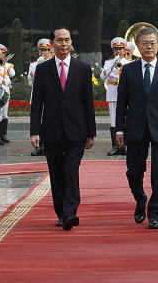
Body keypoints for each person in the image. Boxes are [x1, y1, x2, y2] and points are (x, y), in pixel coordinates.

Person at [30, 27, 96, 230]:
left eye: (67, 40)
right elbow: (37, 103)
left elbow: (88, 101)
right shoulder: (43, 69)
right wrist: (35, 131)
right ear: (52, 43)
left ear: (71, 42)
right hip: (51, 129)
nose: (64, 43)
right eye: (60, 40)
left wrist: (91, 133)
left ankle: (70, 213)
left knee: (70, 170)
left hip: (76, 129)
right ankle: (61, 213)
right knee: (57, 172)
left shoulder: (83, 68)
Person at [116, 28, 158, 230]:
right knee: (133, 172)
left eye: (153, 43)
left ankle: (155, 214)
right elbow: (121, 102)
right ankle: (141, 198)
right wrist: (119, 130)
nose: (149, 47)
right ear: (137, 46)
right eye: (145, 43)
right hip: (135, 128)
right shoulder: (128, 70)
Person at [100, 37, 130, 156]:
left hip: (126, 94)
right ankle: (115, 146)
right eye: (116, 49)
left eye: (120, 49)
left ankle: (125, 145)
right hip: (113, 92)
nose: (118, 51)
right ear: (113, 51)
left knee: (126, 119)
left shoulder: (129, 63)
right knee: (113, 120)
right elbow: (102, 77)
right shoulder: (108, 63)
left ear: (124, 50)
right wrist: (113, 63)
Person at [29, 38, 54, 156]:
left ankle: (47, 145)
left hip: (50, 95)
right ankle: (39, 146)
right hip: (38, 94)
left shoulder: (53, 63)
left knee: (48, 120)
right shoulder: (34, 64)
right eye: (41, 50)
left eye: (46, 50)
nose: (43, 53)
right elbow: (31, 80)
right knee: (38, 119)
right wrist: (38, 65)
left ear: (50, 51)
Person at [0, 44, 15, 145]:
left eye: (2, 54)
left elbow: (12, 74)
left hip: (4, 91)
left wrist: (5, 80)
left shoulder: (8, 65)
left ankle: (3, 134)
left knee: (4, 114)